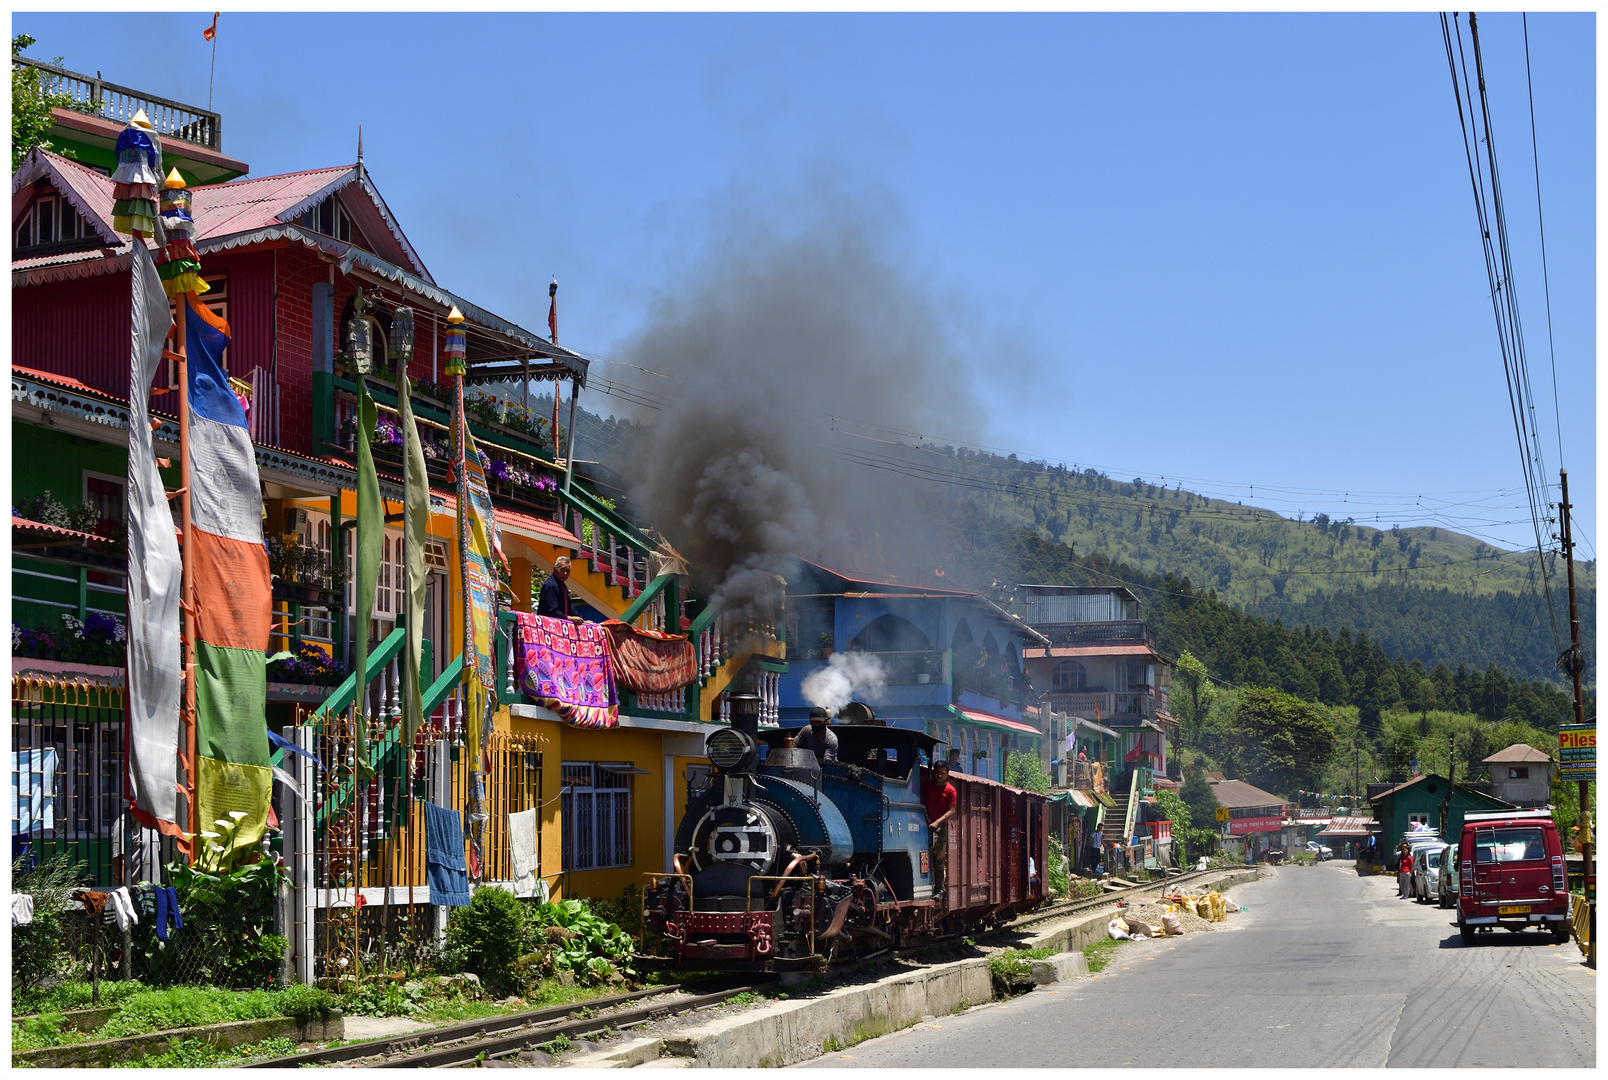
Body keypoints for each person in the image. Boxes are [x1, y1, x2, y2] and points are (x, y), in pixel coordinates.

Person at [924, 759, 958, 902]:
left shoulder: (950, 790)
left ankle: (939, 889)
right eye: (937, 773)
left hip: (940, 827)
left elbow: (952, 811)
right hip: (924, 824)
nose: (939, 776)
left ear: (947, 774)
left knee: (938, 859)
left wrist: (937, 822)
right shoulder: (926, 786)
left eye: (942, 774)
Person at [536, 557, 583, 623]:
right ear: (555, 569)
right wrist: (569, 618)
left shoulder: (562, 586)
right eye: (562, 570)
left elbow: (569, 607)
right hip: (548, 627)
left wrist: (580, 619)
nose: (565, 573)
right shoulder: (550, 586)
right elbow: (551, 611)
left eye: (568, 571)